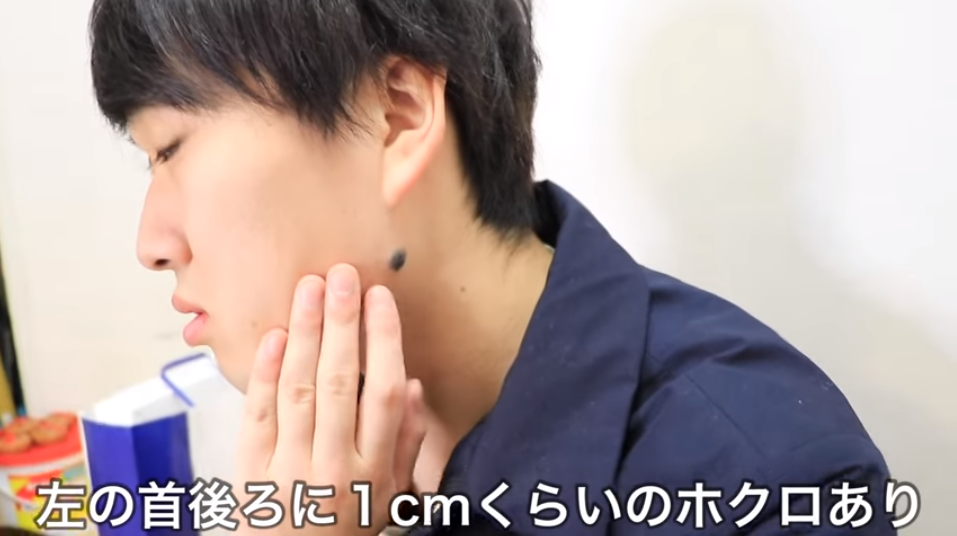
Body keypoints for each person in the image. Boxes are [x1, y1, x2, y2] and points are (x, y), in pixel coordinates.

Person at [87, 0, 898, 534]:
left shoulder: (757, 480)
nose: (150, 242)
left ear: (395, 116)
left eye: (172, 149)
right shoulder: (324, 449)